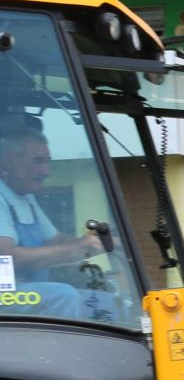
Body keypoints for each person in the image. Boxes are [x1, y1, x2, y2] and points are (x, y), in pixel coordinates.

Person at [0, 119, 108, 322]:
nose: (46, 171)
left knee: (103, 300)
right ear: (9, 160)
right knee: (63, 296)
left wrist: (104, 243)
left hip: (25, 291)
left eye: (47, 161)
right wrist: (72, 250)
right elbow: (6, 257)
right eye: (38, 161)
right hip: (4, 295)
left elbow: (56, 240)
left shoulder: (26, 197)